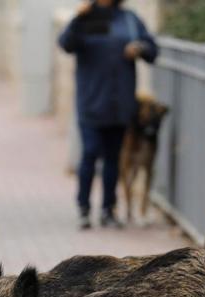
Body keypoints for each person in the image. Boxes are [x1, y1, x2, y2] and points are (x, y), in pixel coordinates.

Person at [59, 0, 158, 229]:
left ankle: (108, 210)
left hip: (120, 103)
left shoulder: (129, 19)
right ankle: (84, 208)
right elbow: (66, 44)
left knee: (113, 158)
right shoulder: (86, 19)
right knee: (91, 152)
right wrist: (77, 18)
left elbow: (152, 50)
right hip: (91, 101)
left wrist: (140, 49)